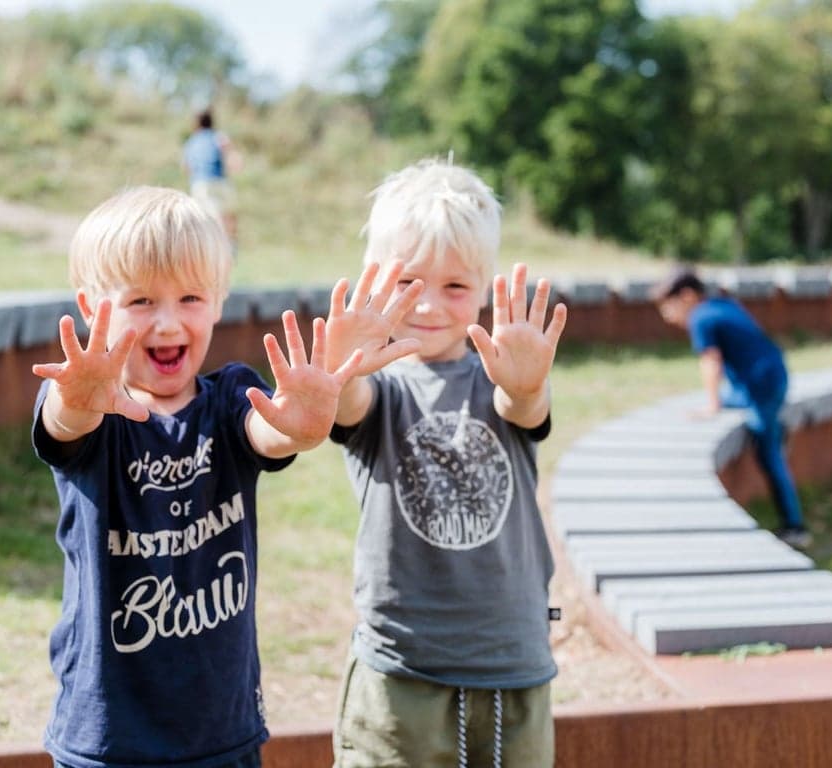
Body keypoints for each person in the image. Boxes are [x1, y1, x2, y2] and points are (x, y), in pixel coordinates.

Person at [29, 185, 367, 768]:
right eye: (140, 301)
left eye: (189, 297)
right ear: (92, 309)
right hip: (108, 734)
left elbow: (266, 432)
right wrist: (76, 399)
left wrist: (299, 427)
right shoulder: (93, 407)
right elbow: (65, 424)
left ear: (217, 301)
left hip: (220, 730)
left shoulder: (230, 397)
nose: (166, 322)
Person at [323, 158, 569, 768]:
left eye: (455, 286)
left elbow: (525, 405)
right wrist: (344, 366)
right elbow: (349, 405)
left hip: (513, 664)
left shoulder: (502, 380)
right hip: (402, 673)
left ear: (484, 290)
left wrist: (529, 381)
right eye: (409, 283)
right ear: (373, 281)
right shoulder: (381, 390)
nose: (429, 305)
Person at [651, 266, 811, 549]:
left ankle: (795, 526)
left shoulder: (701, 317)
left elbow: (711, 361)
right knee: (739, 405)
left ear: (687, 296)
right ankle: (774, 426)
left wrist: (712, 406)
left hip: (760, 387)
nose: (667, 316)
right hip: (772, 376)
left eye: (668, 307)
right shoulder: (722, 304)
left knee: (767, 451)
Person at [183, 108, 240, 250]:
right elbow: (232, 156)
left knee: (210, 218)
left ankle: (218, 250)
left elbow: (187, 167)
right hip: (221, 180)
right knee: (228, 215)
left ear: (196, 123)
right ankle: (229, 247)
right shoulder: (218, 136)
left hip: (201, 183)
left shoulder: (192, 141)